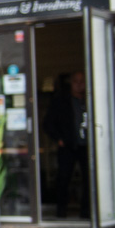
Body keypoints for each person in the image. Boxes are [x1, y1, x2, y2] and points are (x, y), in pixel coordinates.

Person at [44, 71, 88, 218]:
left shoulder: (89, 101)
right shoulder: (61, 102)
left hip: (87, 146)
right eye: (76, 81)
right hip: (67, 146)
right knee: (63, 179)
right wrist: (59, 139)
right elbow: (48, 123)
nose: (79, 84)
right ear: (71, 83)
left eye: (82, 81)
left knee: (88, 179)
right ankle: (61, 211)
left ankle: (86, 212)